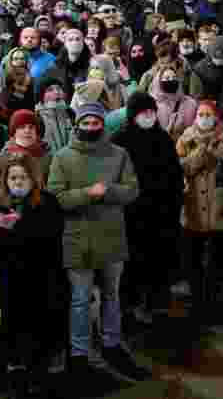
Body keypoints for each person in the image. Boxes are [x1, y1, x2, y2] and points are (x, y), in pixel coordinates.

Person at [46, 102, 149, 382]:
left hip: (112, 235)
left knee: (112, 295)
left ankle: (112, 344)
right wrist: (87, 193)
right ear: (77, 124)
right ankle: (79, 353)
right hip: (78, 238)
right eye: (86, 123)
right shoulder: (62, 157)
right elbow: (56, 198)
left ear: (103, 124)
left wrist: (109, 190)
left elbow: (132, 190)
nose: (91, 127)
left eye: (96, 123)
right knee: (79, 300)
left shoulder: (119, 154)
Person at [0, 153, 64, 398]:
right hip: (7, 278)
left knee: (37, 325)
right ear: (5, 179)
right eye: (13, 177)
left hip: (40, 277)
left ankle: (38, 370)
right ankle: (13, 367)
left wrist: (17, 227)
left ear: (34, 179)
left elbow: (49, 235)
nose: (18, 182)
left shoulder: (47, 202)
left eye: (23, 177)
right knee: (10, 324)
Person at [112, 92, 184, 323]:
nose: (149, 116)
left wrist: (174, 204)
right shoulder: (119, 140)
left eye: (152, 112)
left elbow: (174, 175)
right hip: (130, 214)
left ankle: (155, 303)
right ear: (133, 115)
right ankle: (128, 307)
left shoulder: (162, 139)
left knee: (157, 260)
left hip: (160, 213)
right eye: (143, 112)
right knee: (130, 264)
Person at [176, 100, 223, 326]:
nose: (204, 118)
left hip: (218, 205)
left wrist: (206, 151)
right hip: (192, 206)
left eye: (209, 114)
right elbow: (183, 167)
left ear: (215, 117)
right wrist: (203, 148)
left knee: (217, 259)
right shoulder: (185, 138)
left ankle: (214, 300)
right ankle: (197, 300)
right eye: (201, 114)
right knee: (193, 259)